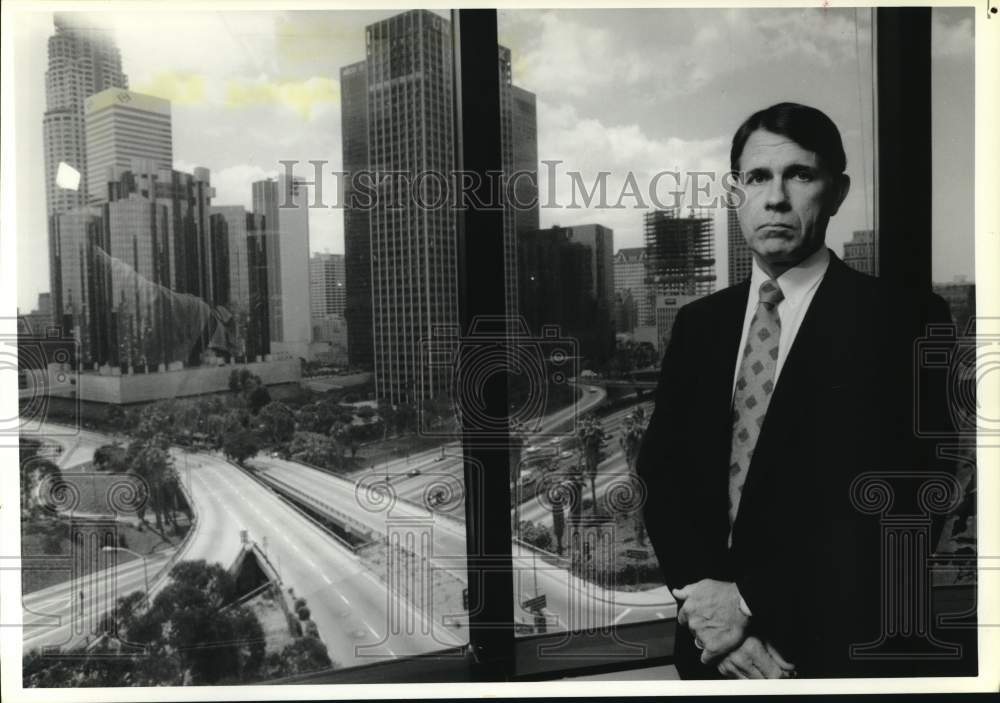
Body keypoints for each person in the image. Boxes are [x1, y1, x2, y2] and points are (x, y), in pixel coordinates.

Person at [637, 102, 953, 679]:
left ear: (837, 192)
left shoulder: (905, 321)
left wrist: (749, 604)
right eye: (757, 177)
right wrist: (717, 626)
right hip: (712, 659)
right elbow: (663, 479)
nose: (775, 197)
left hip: (839, 652)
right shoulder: (699, 323)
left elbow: (907, 504)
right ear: (736, 194)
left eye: (800, 175)